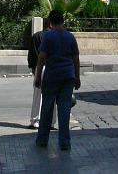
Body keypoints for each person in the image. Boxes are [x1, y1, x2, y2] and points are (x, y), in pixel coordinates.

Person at [34, 9, 81, 151]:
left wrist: (37, 77)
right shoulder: (70, 37)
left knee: (47, 108)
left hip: (51, 76)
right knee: (65, 109)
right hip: (67, 76)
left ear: (50, 22)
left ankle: (42, 140)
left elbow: (41, 58)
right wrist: (77, 77)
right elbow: (76, 59)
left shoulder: (48, 37)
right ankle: (65, 142)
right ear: (63, 21)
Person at [27, 18, 56, 129]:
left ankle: (35, 121)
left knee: (38, 95)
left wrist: (33, 68)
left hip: (40, 67)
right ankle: (51, 122)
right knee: (52, 96)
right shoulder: (56, 37)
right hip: (53, 68)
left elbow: (32, 54)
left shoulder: (37, 36)